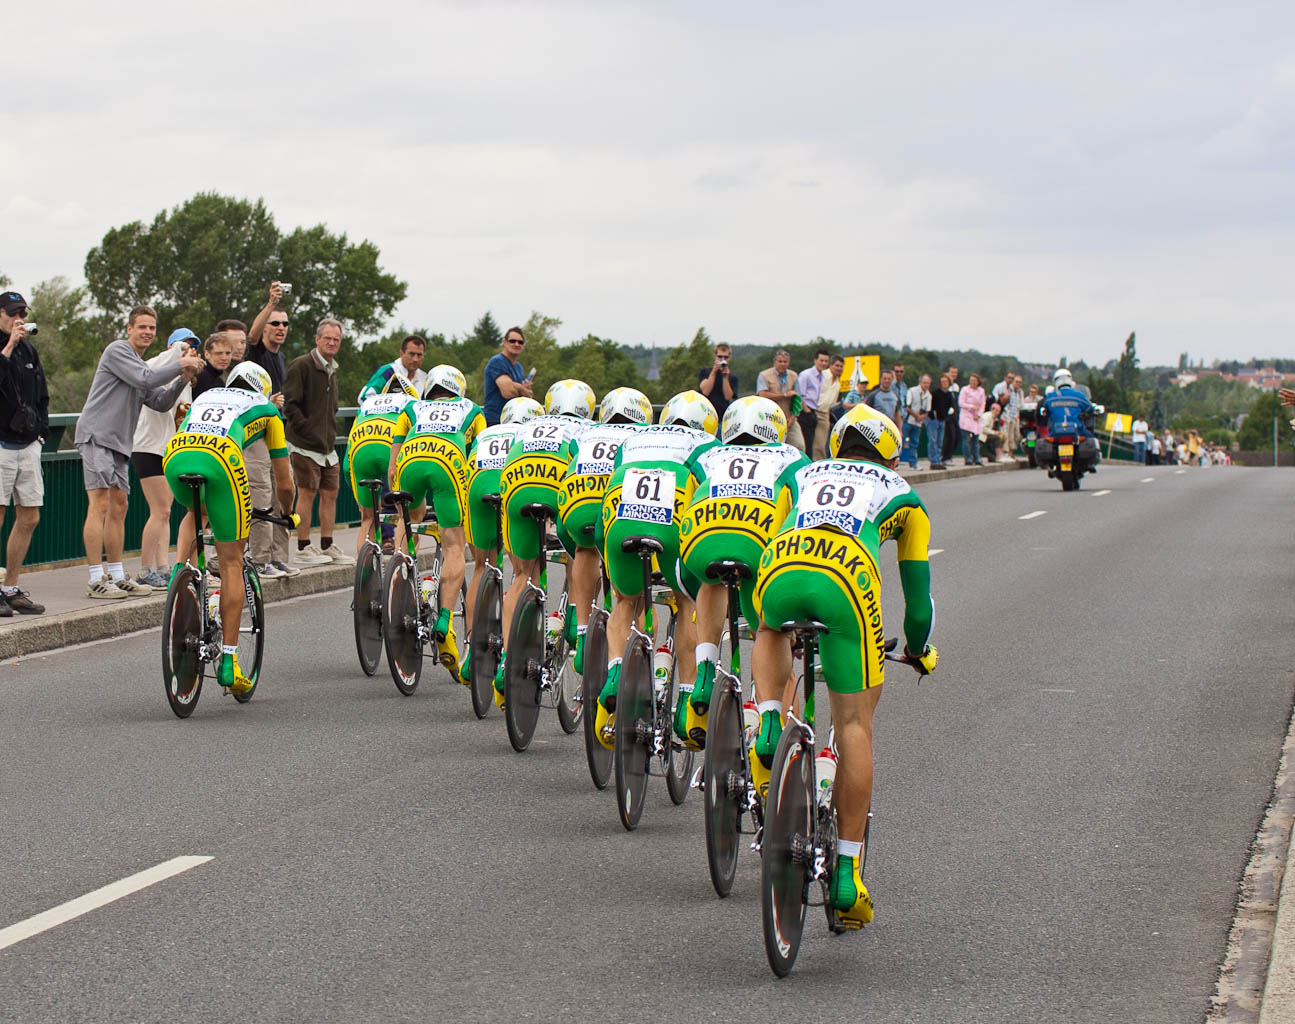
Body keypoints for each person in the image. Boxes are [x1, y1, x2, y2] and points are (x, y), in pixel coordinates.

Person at [752, 404, 937, 927]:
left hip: (781, 568)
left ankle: (768, 721)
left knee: (769, 628)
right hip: (846, 582)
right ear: (892, 459)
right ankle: (848, 875)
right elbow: (918, 604)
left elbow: (772, 531)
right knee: (854, 723)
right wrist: (918, 649)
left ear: (835, 447)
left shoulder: (802, 473)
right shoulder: (904, 494)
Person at [678, 395, 808, 747]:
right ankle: (772, 730)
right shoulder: (792, 457)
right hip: (759, 544)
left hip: (701, 540)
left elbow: (685, 500)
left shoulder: (708, 454)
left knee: (710, 580)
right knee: (771, 632)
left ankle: (705, 666)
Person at [593, 390, 720, 747]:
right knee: (687, 600)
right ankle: (687, 700)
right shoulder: (707, 444)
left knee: (624, 601)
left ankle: (615, 671)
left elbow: (609, 491)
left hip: (621, 516)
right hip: (673, 515)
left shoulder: (636, 438)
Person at [164, 362, 298, 692]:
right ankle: (229, 661)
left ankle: (180, 579)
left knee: (196, 512)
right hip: (222, 459)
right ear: (264, 390)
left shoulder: (208, 394)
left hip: (176, 456)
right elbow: (284, 480)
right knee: (231, 563)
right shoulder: (267, 409)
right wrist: (289, 513)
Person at [76, 305, 203, 599]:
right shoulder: (118, 351)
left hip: (121, 443)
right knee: (99, 505)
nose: (147, 332)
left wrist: (184, 377)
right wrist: (181, 363)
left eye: (152, 328)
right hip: (97, 436)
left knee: (119, 506)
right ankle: (95, 578)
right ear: (129, 329)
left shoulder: (138, 364)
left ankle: (118, 575)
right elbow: (146, 378)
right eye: (142, 326)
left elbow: (160, 402)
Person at [494, 379, 596, 706]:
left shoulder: (531, 423)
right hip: (558, 483)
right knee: (581, 550)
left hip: (516, 482)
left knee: (522, 575)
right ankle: (576, 619)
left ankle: (506, 658)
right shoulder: (588, 428)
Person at [388, 366, 487, 670]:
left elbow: (392, 466)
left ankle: (401, 579)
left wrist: (398, 495)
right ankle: (444, 619)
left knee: (408, 520)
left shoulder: (412, 407)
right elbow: (480, 458)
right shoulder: (473, 409)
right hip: (448, 462)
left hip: (410, 460)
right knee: (453, 544)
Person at [556, 386, 654, 675]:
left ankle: (582, 630)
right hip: (617, 502)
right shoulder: (643, 438)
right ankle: (637, 667)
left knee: (583, 548)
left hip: (578, 500)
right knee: (633, 594)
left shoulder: (586, 431)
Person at [459, 395, 545, 681]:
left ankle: (470, 647)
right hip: (510, 484)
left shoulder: (488, 432)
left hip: (478, 484)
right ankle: (517, 645)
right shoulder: (531, 436)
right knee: (524, 569)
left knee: (481, 566)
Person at [131, 328, 198, 588]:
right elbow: (154, 367)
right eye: (184, 346)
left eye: (192, 346)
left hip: (167, 448)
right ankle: (145, 568)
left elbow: (181, 415)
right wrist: (178, 354)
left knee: (165, 511)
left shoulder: (185, 382)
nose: (190, 350)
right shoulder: (156, 369)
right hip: (148, 446)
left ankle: (162, 566)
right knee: (160, 510)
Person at [283, 317, 352, 566]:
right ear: (317, 339)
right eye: (328, 338)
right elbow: (290, 405)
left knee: (331, 492)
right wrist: (307, 429)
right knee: (307, 492)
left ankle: (326, 544)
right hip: (303, 443)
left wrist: (329, 433)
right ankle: (303, 547)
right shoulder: (301, 365)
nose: (332, 343)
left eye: (336, 339)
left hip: (327, 445)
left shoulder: (332, 368)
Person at [0, 292, 50, 614]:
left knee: (29, 516)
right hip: (1, 444)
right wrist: (8, 347)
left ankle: (11, 587)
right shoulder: (6, 348)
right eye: (12, 313)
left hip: (28, 443)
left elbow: (42, 394)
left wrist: (41, 433)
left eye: (22, 313)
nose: (18, 319)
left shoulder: (29, 350)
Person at [244, 283, 295, 577]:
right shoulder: (257, 353)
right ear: (265, 327)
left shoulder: (280, 358)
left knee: (283, 494)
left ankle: (278, 558)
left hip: (278, 434)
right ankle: (260, 559)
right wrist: (271, 303)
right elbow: (251, 337)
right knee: (262, 498)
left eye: (285, 324)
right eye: (275, 323)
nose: (281, 328)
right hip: (256, 437)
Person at [343, 372, 418, 559]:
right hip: (390, 448)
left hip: (361, 450)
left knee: (368, 518)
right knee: (408, 517)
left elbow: (346, 465)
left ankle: (365, 572)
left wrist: (360, 499)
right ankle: (402, 567)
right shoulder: (413, 404)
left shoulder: (368, 404)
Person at [482, 326, 533, 426]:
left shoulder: (519, 367)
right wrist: (521, 388)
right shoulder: (497, 361)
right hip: (495, 420)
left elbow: (528, 396)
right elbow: (508, 392)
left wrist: (520, 388)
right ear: (505, 342)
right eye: (512, 341)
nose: (516, 344)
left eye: (520, 342)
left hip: (514, 421)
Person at [756, 350, 805, 451]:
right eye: (780, 361)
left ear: (788, 363)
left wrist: (793, 417)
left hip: (789, 418)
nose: (782, 364)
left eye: (785, 362)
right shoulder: (764, 375)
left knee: (799, 445)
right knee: (772, 448)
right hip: (769, 419)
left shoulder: (794, 376)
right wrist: (784, 395)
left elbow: (798, 399)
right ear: (774, 362)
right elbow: (762, 394)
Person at [358, 334, 428, 401]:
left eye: (419, 355)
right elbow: (364, 397)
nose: (415, 359)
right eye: (411, 354)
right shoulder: (388, 371)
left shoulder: (425, 377)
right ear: (401, 353)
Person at [1038, 368, 1095, 440]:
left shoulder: (1050, 397)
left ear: (1056, 382)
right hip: (1078, 431)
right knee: (1091, 439)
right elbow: (1090, 409)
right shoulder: (1079, 395)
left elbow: (1046, 412)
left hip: (1055, 432)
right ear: (1070, 380)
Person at [797, 347, 830, 459]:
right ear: (815, 360)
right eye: (821, 360)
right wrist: (806, 410)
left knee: (812, 444)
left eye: (826, 361)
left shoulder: (822, 376)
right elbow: (799, 394)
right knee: (806, 444)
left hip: (813, 410)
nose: (824, 363)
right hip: (804, 411)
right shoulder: (806, 375)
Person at [698, 342, 739, 425]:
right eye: (720, 357)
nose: (722, 359)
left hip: (721, 417)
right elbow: (705, 392)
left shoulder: (732, 377)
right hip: (705, 415)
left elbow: (728, 397)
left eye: (725, 357)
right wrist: (714, 372)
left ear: (729, 358)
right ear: (715, 356)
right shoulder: (705, 372)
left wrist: (725, 377)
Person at [814, 355, 845, 460]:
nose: (839, 368)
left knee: (822, 445)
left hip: (825, 414)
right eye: (837, 365)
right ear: (831, 365)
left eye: (841, 366)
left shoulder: (838, 383)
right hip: (814, 411)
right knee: (813, 443)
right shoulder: (822, 375)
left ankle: (818, 462)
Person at [189, 332, 234, 400]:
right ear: (207, 354)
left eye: (227, 353)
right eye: (219, 353)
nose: (224, 358)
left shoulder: (220, 382)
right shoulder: (199, 377)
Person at [902, 374, 932, 469]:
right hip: (908, 420)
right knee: (901, 441)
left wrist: (922, 417)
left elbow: (928, 410)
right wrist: (916, 415)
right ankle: (896, 462)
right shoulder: (912, 391)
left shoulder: (928, 395)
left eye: (928, 383)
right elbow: (907, 406)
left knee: (914, 443)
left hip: (918, 423)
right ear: (920, 382)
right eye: (924, 382)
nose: (926, 385)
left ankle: (913, 463)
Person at [958, 373, 986, 465]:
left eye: (974, 381)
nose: (972, 382)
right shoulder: (965, 389)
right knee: (966, 439)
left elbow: (982, 404)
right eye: (971, 380)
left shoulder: (981, 391)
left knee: (975, 439)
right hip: (966, 416)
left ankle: (976, 458)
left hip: (976, 417)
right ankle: (968, 458)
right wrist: (971, 406)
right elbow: (961, 403)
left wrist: (978, 414)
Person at [928, 373, 953, 470]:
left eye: (946, 382)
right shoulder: (934, 393)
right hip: (933, 419)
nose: (944, 384)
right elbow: (930, 406)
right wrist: (932, 416)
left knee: (939, 442)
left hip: (942, 420)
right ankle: (933, 461)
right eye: (942, 382)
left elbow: (950, 406)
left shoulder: (949, 395)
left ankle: (938, 460)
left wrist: (945, 417)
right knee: (933, 441)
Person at [941, 366, 961, 465]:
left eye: (955, 373)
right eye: (952, 372)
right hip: (947, 415)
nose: (954, 375)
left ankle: (949, 455)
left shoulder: (956, 386)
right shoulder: (945, 387)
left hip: (955, 415)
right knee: (950, 436)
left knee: (957, 436)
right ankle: (945, 457)